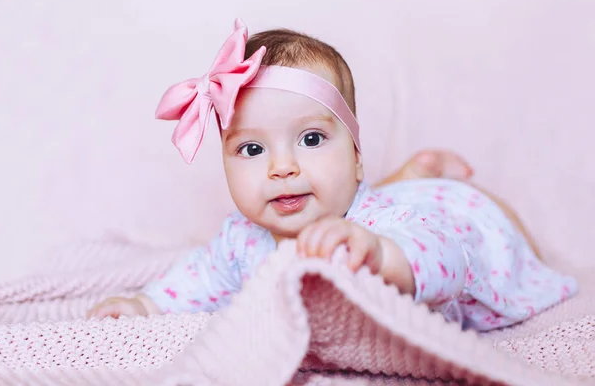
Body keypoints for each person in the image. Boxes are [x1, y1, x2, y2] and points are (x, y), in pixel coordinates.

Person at [87, 19, 576, 331]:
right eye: (252, 148)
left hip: (470, 220)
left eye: (312, 139)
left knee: (492, 226)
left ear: (358, 154)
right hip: (387, 199)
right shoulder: (241, 240)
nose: (283, 168)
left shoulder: (387, 223)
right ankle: (411, 172)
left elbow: (447, 256)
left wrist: (383, 254)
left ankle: (427, 179)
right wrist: (145, 307)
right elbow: (196, 280)